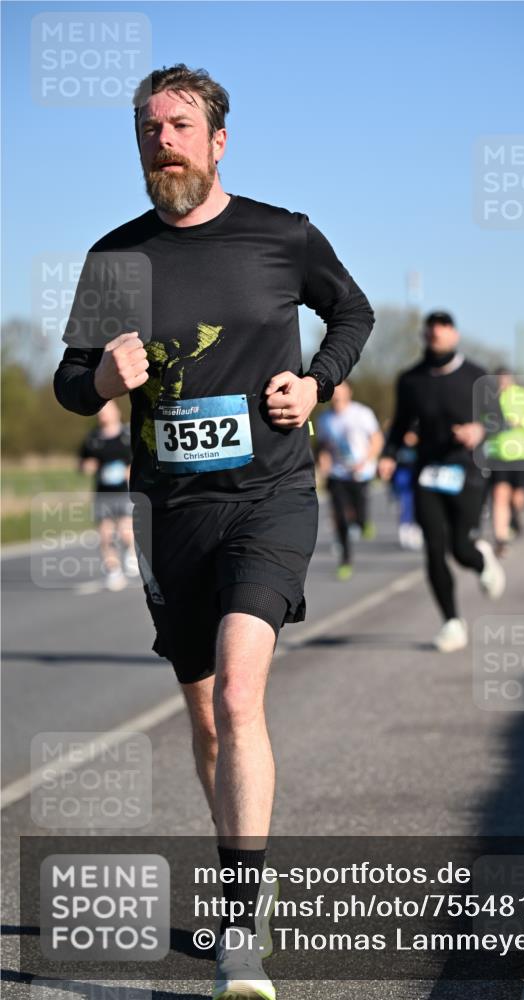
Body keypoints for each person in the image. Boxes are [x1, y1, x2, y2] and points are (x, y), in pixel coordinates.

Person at [53, 64, 374, 1000]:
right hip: (168, 513)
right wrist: (104, 381)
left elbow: (351, 311)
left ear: (218, 139)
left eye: (180, 125)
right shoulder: (114, 258)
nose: (163, 140)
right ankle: (246, 877)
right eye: (148, 128)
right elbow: (73, 384)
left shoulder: (283, 235)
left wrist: (318, 381)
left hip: (268, 496)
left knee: (238, 696)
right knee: (203, 710)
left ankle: (241, 925)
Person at [379, 311, 505, 653]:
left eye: (443, 329)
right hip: (428, 471)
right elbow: (401, 424)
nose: (436, 335)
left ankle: (480, 558)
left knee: (460, 547)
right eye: (431, 331)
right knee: (434, 547)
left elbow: (498, 420)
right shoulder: (411, 379)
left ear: (455, 335)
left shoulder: (476, 376)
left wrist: (480, 429)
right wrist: (388, 455)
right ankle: (451, 622)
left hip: (467, 470)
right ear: (425, 336)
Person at [316, 381, 383, 579]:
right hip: (338, 474)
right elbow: (324, 446)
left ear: (349, 392)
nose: (337, 393)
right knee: (341, 519)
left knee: (359, 515)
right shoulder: (324, 419)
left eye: (341, 389)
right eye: (334, 389)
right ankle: (345, 561)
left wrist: (366, 461)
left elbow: (377, 439)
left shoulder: (361, 413)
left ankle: (363, 522)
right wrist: (324, 461)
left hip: (360, 473)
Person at [482, 368, 524, 557]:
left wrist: (520, 421)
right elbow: (480, 419)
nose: (502, 383)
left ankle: (515, 515)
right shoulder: (488, 398)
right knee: (499, 494)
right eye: (498, 380)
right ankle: (501, 540)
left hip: (521, 454)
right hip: (497, 454)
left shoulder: (523, 396)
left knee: (518, 497)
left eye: (504, 379)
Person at [79, 400, 138, 590]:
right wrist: (86, 466)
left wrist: (130, 471)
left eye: (106, 410)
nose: (102, 414)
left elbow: (140, 459)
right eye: (100, 411)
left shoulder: (127, 435)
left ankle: (131, 551)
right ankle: (114, 572)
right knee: (105, 536)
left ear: (116, 412)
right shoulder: (93, 438)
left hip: (124, 492)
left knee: (125, 532)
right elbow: (82, 462)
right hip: (102, 493)